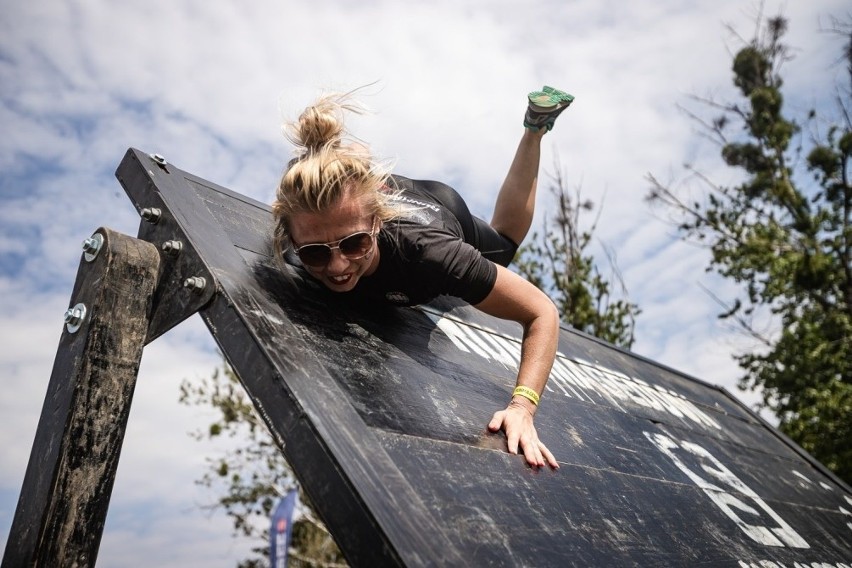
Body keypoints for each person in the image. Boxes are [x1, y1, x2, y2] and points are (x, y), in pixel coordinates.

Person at [272, 86, 574, 469]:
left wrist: (522, 407)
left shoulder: (433, 255)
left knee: (506, 244)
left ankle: (535, 127)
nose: (335, 267)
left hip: (439, 206)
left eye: (354, 245)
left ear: (376, 224)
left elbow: (541, 312)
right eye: (314, 252)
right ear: (293, 237)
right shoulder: (299, 224)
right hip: (366, 189)